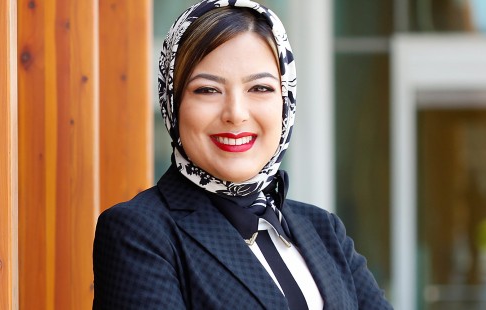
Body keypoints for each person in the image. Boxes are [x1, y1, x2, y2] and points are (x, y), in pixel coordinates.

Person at [92, 1, 392, 309]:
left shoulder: (323, 230)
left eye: (260, 88)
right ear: (172, 102)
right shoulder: (140, 232)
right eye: (208, 90)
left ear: (286, 101)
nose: (235, 114)